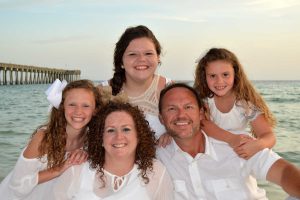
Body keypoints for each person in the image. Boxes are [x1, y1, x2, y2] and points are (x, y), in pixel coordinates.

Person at [157, 83, 300, 200]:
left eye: (188, 107)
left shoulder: (236, 144)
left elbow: (284, 172)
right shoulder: (157, 157)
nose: (181, 115)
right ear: (161, 118)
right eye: (171, 109)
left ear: (201, 113)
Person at [0, 79, 102, 200]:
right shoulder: (44, 137)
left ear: (95, 110)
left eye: (86, 105)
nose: (78, 111)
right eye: (72, 104)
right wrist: (59, 169)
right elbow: (18, 186)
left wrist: (85, 153)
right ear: (62, 107)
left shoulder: (92, 139)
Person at [51, 101, 174, 200]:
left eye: (126, 129)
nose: (119, 137)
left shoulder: (155, 171)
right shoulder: (77, 169)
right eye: (110, 130)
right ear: (100, 138)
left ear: (138, 136)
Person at [194, 48, 276, 159]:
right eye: (212, 76)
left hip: (239, 151)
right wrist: (232, 139)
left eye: (225, 75)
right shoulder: (205, 99)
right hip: (210, 152)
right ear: (204, 76)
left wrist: (258, 145)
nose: (219, 81)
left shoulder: (245, 102)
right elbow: (204, 124)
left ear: (235, 74)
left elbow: (268, 135)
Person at [98, 25, 172, 139]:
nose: (141, 59)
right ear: (121, 61)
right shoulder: (102, 92)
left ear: (158, 57)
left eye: (148, 53)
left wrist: (174, 134)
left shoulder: (171, 90)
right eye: (133, 54)